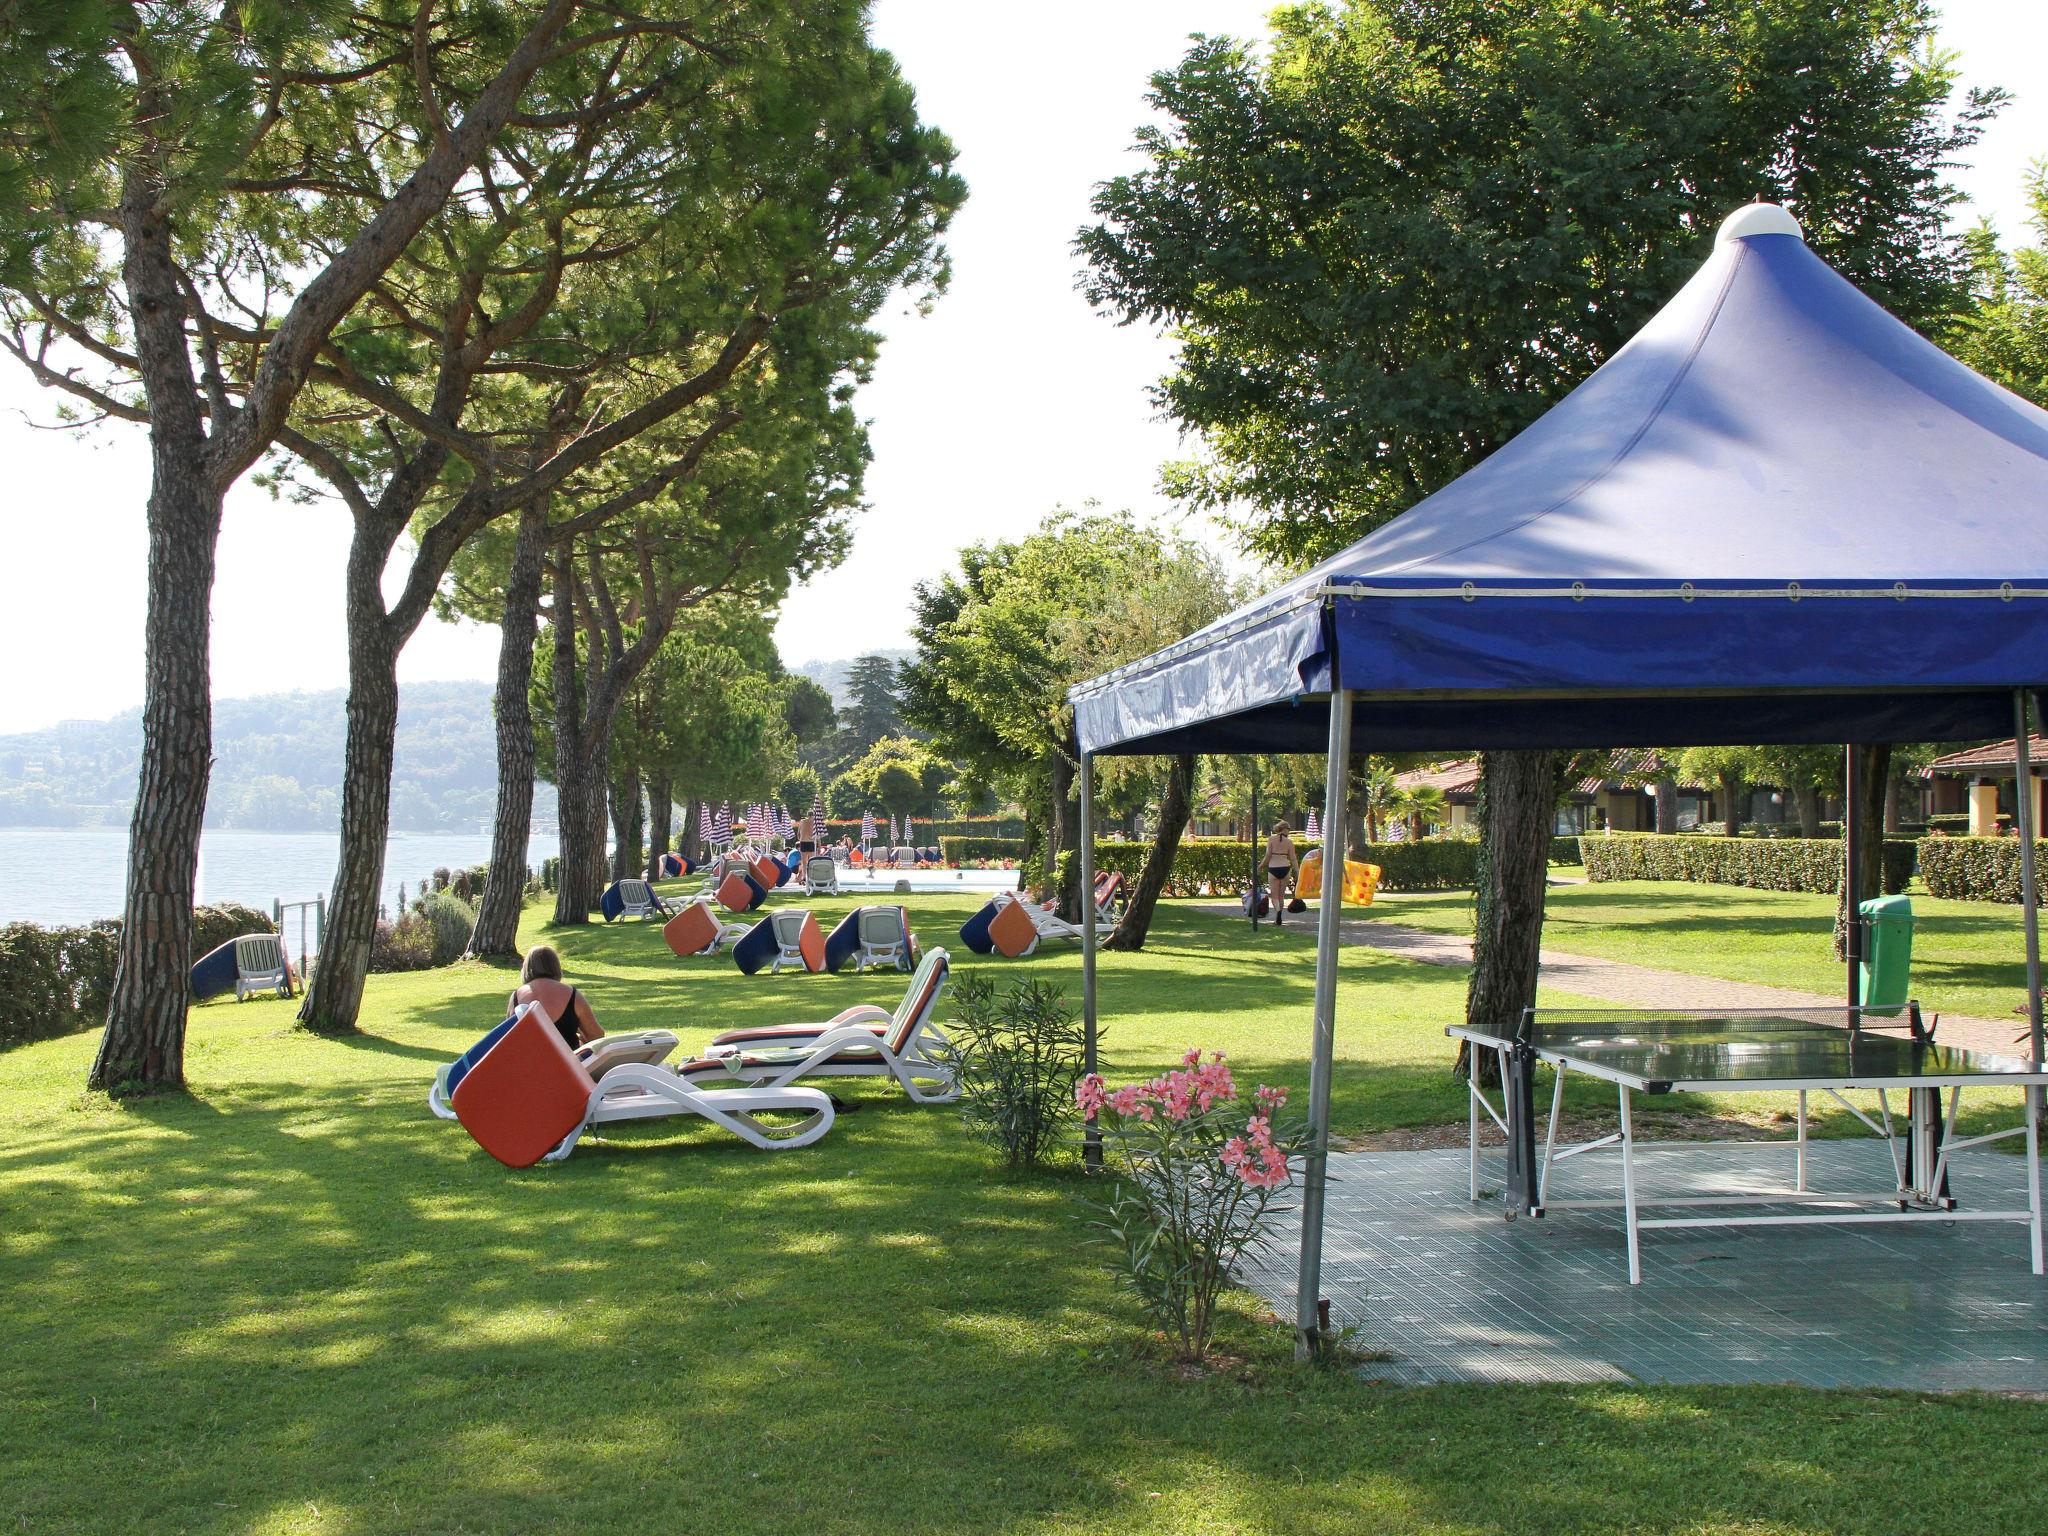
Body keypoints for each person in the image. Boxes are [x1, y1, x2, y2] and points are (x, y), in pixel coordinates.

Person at [510, 945, 604, 1053]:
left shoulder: (516, 996)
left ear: (526, 967)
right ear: (555, 966)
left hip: (528, 1064)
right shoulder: (572, 994)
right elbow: (596, 1035)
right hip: (567, 1064)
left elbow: (509, 1037)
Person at [1264, 822, 1298, 927]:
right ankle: (1280, 914)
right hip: (1285, 868)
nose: (1289, 831)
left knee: (1274, 896)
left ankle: (1277, 914)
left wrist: (1260, 867)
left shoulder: (1271, 839)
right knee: (1281, 896)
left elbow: (1268, 856)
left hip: (1273, 867)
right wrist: (1297, 871)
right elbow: (1293, 858)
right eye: (1288, 829)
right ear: (1284, 829)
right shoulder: (1289, 842)